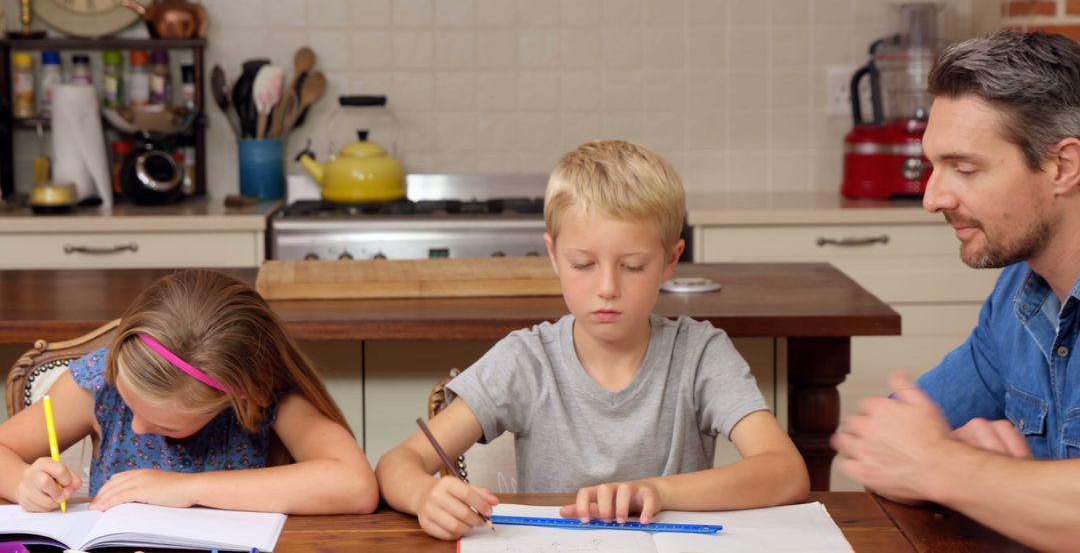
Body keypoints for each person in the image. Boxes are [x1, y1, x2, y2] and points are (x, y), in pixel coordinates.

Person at [376, 140, 809, 540]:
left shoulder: (699, 353)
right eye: (583, 264)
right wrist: (423, 496)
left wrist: (653, 491)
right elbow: (398, 464)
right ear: (553, 256)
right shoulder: (527, 359)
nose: (607, 287)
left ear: (670, 260)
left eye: (633, 266)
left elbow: (786, 471)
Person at [831, 30, 1080, 551]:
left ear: (1063, 166)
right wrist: (978, 471)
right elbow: (881, 446)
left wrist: (949, 467)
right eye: (933, 167)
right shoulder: (1019, 296)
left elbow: (920, 457)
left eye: (965, 169)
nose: (932, 197)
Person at [0, 269, 379, 515]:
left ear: (238, 397)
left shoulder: (269, 397)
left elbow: (355, 485)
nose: (136, 429)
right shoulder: (100, 382)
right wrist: (23, 483)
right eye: (132, 407)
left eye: (165, 424)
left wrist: (187, 488)